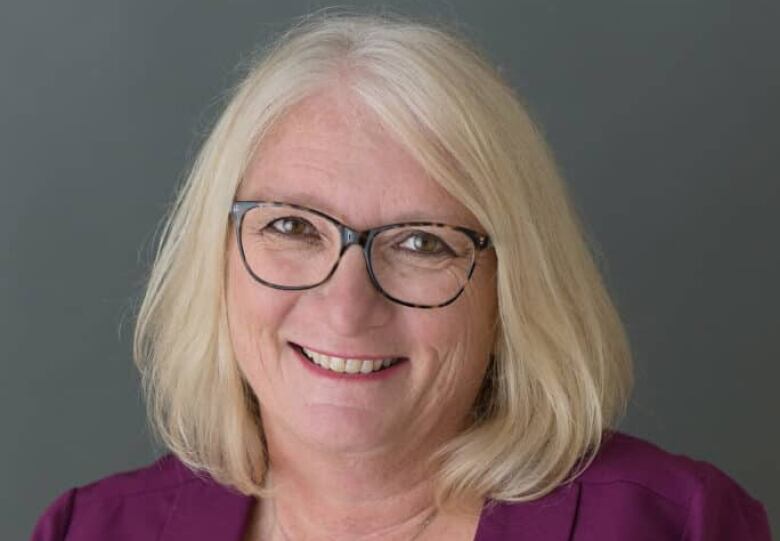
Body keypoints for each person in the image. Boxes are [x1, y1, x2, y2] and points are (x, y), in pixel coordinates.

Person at [31, 13, 771, 541]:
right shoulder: (89, 528)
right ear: (216, 256)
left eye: (422, 242)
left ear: (510, 291)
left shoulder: (676, 523)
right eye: (292, 226)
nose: (347, 305)